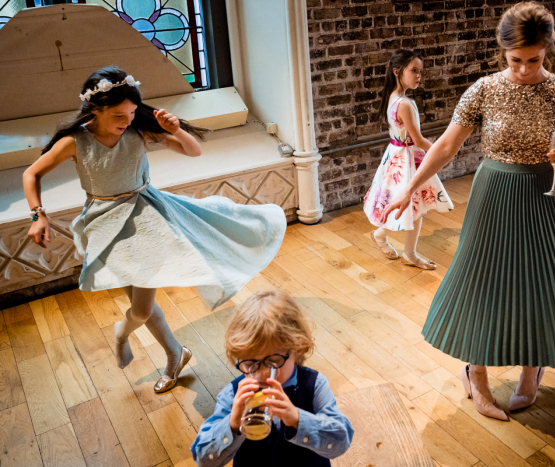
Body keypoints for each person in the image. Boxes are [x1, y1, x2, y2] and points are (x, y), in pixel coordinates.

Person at [381, 2, 555, 421]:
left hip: (545, 189)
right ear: (503, 52)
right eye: (515, 60)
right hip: (494, 192)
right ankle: (476, 371)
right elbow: (447, 146)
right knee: (481, 282)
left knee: (544, 280)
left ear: (547, 50)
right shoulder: (483, 90)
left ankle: (532, 367)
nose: (523, 69)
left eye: (533, 60)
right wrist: (407, 189)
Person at [23, 66, 286, 393]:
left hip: (145, 218)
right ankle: (175, 354)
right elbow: (31, 175)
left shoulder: (137, 132)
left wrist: (176, 130)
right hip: (103, 224)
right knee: (139, 302)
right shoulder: (74, 142)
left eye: (133, 112)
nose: (128, 120)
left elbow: (194, 151)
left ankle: (122, 332)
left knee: (142, 307)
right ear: (96, 110)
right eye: (120, 114)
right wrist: (39, 215)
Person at [191, 290, 354, 466]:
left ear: (297, 349)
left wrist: (299, 419)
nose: (262, 373)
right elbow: (203, 460)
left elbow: (341, 442)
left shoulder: (314, 386)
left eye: (274, 361)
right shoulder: (232, 395)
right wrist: (232, 424)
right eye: (250, 363)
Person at [363, 50, 454, 270]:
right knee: (413, 206)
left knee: (409, 206)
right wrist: (442, 152)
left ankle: (382, 237)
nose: (419, 76)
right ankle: (408, 253)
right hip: (405, 159)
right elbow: (419, 140)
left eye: (420, 71)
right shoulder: (404, 103)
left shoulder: (393, 98)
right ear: (397, 72)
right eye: (414, 70)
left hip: (396, 155)